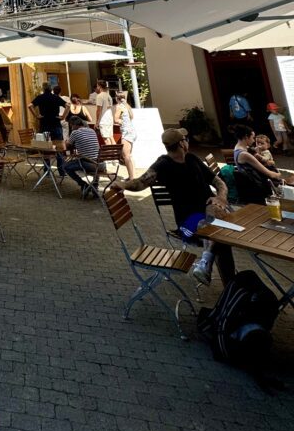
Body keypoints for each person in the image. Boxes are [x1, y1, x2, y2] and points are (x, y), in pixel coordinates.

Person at [113, 128, 235, 286]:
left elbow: (219, 182)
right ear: (181, 144)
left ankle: (209, 263)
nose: (188, 142)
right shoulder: (164, 164)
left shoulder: (192, 159)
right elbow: (140, 182)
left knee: (218, 228)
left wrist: (220, 197)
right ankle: (228, 286)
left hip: (211, 217)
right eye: (186, 139)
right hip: (187, 225)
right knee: (219, 236)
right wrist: (122, 184)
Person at [62, 119, 100, 196]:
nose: (71, 128)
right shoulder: (92, 131)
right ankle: (95, 187)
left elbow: (68, 145)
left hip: (89, 164)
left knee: (65, 166)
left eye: (71, 126)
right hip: (100, 164)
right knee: (92, 160)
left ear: (74, 125)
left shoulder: (75, 132)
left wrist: (64, 142)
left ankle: (83, 184)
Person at [113, 93, 136, 180]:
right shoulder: (127, 106)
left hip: (126, 132)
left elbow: (115, 119)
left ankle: (131, 178)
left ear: (116, 98)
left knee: (126, 156)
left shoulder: (119, 107)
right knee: (129, 155)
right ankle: (132, 176)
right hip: (132, 131)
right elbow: (131, 117)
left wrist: (120, 121)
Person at [94, 79, 114, 145]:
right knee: (111, 137)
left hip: (103, 119)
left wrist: (97, 122)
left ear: (99, 86)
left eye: (97, 86)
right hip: (109, 118)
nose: (97, 88)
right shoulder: (109, 96)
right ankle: (116, 154)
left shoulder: (99, 96)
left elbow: (98, 110)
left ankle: (111, 154)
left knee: (106, 139)